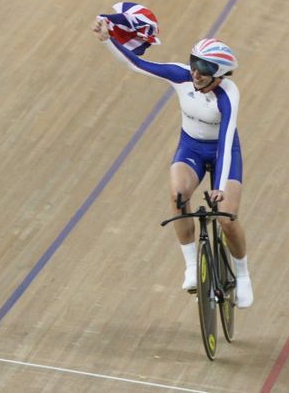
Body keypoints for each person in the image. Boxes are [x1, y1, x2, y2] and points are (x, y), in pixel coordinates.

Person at [93, 17, 253, 308]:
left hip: (222, 153)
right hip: (191, 147)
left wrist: (219, 187)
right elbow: (136, 64)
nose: (195, 72)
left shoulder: (228, 94)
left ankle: (242, 275)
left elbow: (227, 140)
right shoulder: (181, 76)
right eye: (194, 62)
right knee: (178, 195)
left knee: (226, 217)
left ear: (219, 73)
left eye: (204, 68)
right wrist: (108, 39)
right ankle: (192, 265)